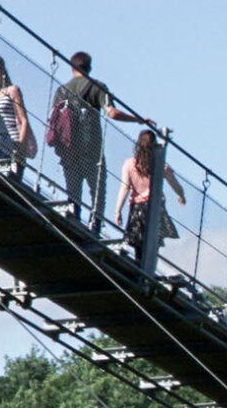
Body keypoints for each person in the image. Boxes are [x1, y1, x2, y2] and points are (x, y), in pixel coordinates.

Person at [47, 51, 149, 231]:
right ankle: (96, 223)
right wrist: (138, 120)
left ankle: (73, 216)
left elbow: (54, 120)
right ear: (90, 67)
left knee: (73, 188)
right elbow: (112, 113)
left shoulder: (61, 91)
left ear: (72, 68)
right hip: (91, 147)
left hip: (68, 148)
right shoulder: (97, 87)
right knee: (97, 190)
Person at [113, 128, 183, 262]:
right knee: (153, 245)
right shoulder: (160, 164)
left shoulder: (129, 164)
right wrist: (181, 195)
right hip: (155, 206)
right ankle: (148, 271)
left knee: (139, 245)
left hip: (137, 208)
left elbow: (125, 187)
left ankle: (140, 268)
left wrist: (118, 210)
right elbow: (175, 184)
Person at [0, 55, 34, 178]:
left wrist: (20, 146)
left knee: (12, 182)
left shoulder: (12, 90)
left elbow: (23, 119)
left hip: (12, 144)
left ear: (0, 70)